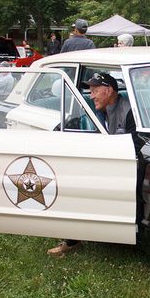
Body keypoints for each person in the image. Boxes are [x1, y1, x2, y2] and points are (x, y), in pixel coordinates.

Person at [47, 72, 136, 257]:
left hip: (121, 168)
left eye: (95, 90)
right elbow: (72, 123)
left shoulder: (128, 111)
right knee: (67, 184)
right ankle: (72, 239)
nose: (92, 95)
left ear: (109, 90)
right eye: (90, 91)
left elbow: (133, 148)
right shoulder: (90, 109)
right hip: (99, 163)